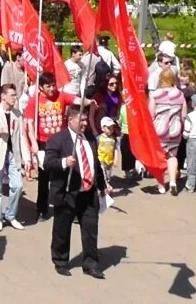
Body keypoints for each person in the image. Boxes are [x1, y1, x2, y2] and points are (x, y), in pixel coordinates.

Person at [44, 105, 107, 279]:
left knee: (90, 230)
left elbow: (96, 164)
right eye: (82, 119)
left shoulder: (90, 138)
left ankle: (91, 264)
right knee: (62, 229)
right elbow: (48, 163)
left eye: (87, 119)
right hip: (67, 192)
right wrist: (64, 162)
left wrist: (102, 186)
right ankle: (60, 261)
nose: (86, 123)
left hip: (88, 193)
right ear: (70, 120)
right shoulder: (58, 139)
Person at [23, 72, 93, 221]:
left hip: (61, 141)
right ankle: (42, 208)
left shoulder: (62, 96)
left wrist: (89, 102)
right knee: (44, 178)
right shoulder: (34, 101)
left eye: (54, 85)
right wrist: (33, 144)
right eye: (48, 86)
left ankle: (67, 207)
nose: (52, 88)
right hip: (43, 142)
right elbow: (29, 123)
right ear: (41, 87)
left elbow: (77, 100)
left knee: (66, 175)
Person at [0, 83, 30, 232]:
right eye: (12, 95)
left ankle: (10, 214)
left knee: (18, 185)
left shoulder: (17, 114)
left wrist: (26, 158)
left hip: (13, 154)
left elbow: (21, 137)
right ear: (3, 96)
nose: (15, 98)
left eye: (16, 95)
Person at [149, 68, 186, 195]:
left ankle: (161, 185)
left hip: (160, 130)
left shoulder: (156, 94)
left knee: (159, 157)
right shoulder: (179, 94)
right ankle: (172, 182)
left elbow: (151, 114)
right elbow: (184, 115)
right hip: (175, 130)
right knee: (172, 156)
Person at [97, 117, 117, 193]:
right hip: (101, 160)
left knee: (108, 177)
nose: (111, 130)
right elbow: (96, 148)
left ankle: (106, 186)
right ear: (102, 128)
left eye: (112, 128)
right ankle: (106, 188)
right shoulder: (99, 138)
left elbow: (115, 149)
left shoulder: (113, 138)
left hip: (110, 161)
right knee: (104, 176)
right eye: (109, 128)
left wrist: (116, 159)